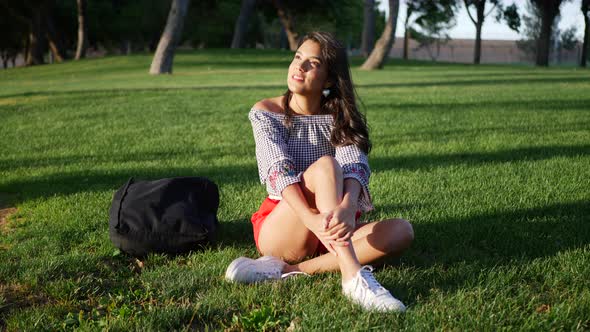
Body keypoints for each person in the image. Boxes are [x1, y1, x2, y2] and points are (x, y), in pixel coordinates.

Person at [225, 31, 414, 312]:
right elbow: (278, 170)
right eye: (297, 57)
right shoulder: (265, 112)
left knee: (401, 231)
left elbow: (354, 164)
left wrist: (349, 207)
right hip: (284, 226)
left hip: (329, 228)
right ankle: (353, 278)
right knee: (326, 165)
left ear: (328, 80)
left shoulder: (340, 116)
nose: (298, 67)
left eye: (312, 63)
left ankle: (290, 270)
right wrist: (310, 218)